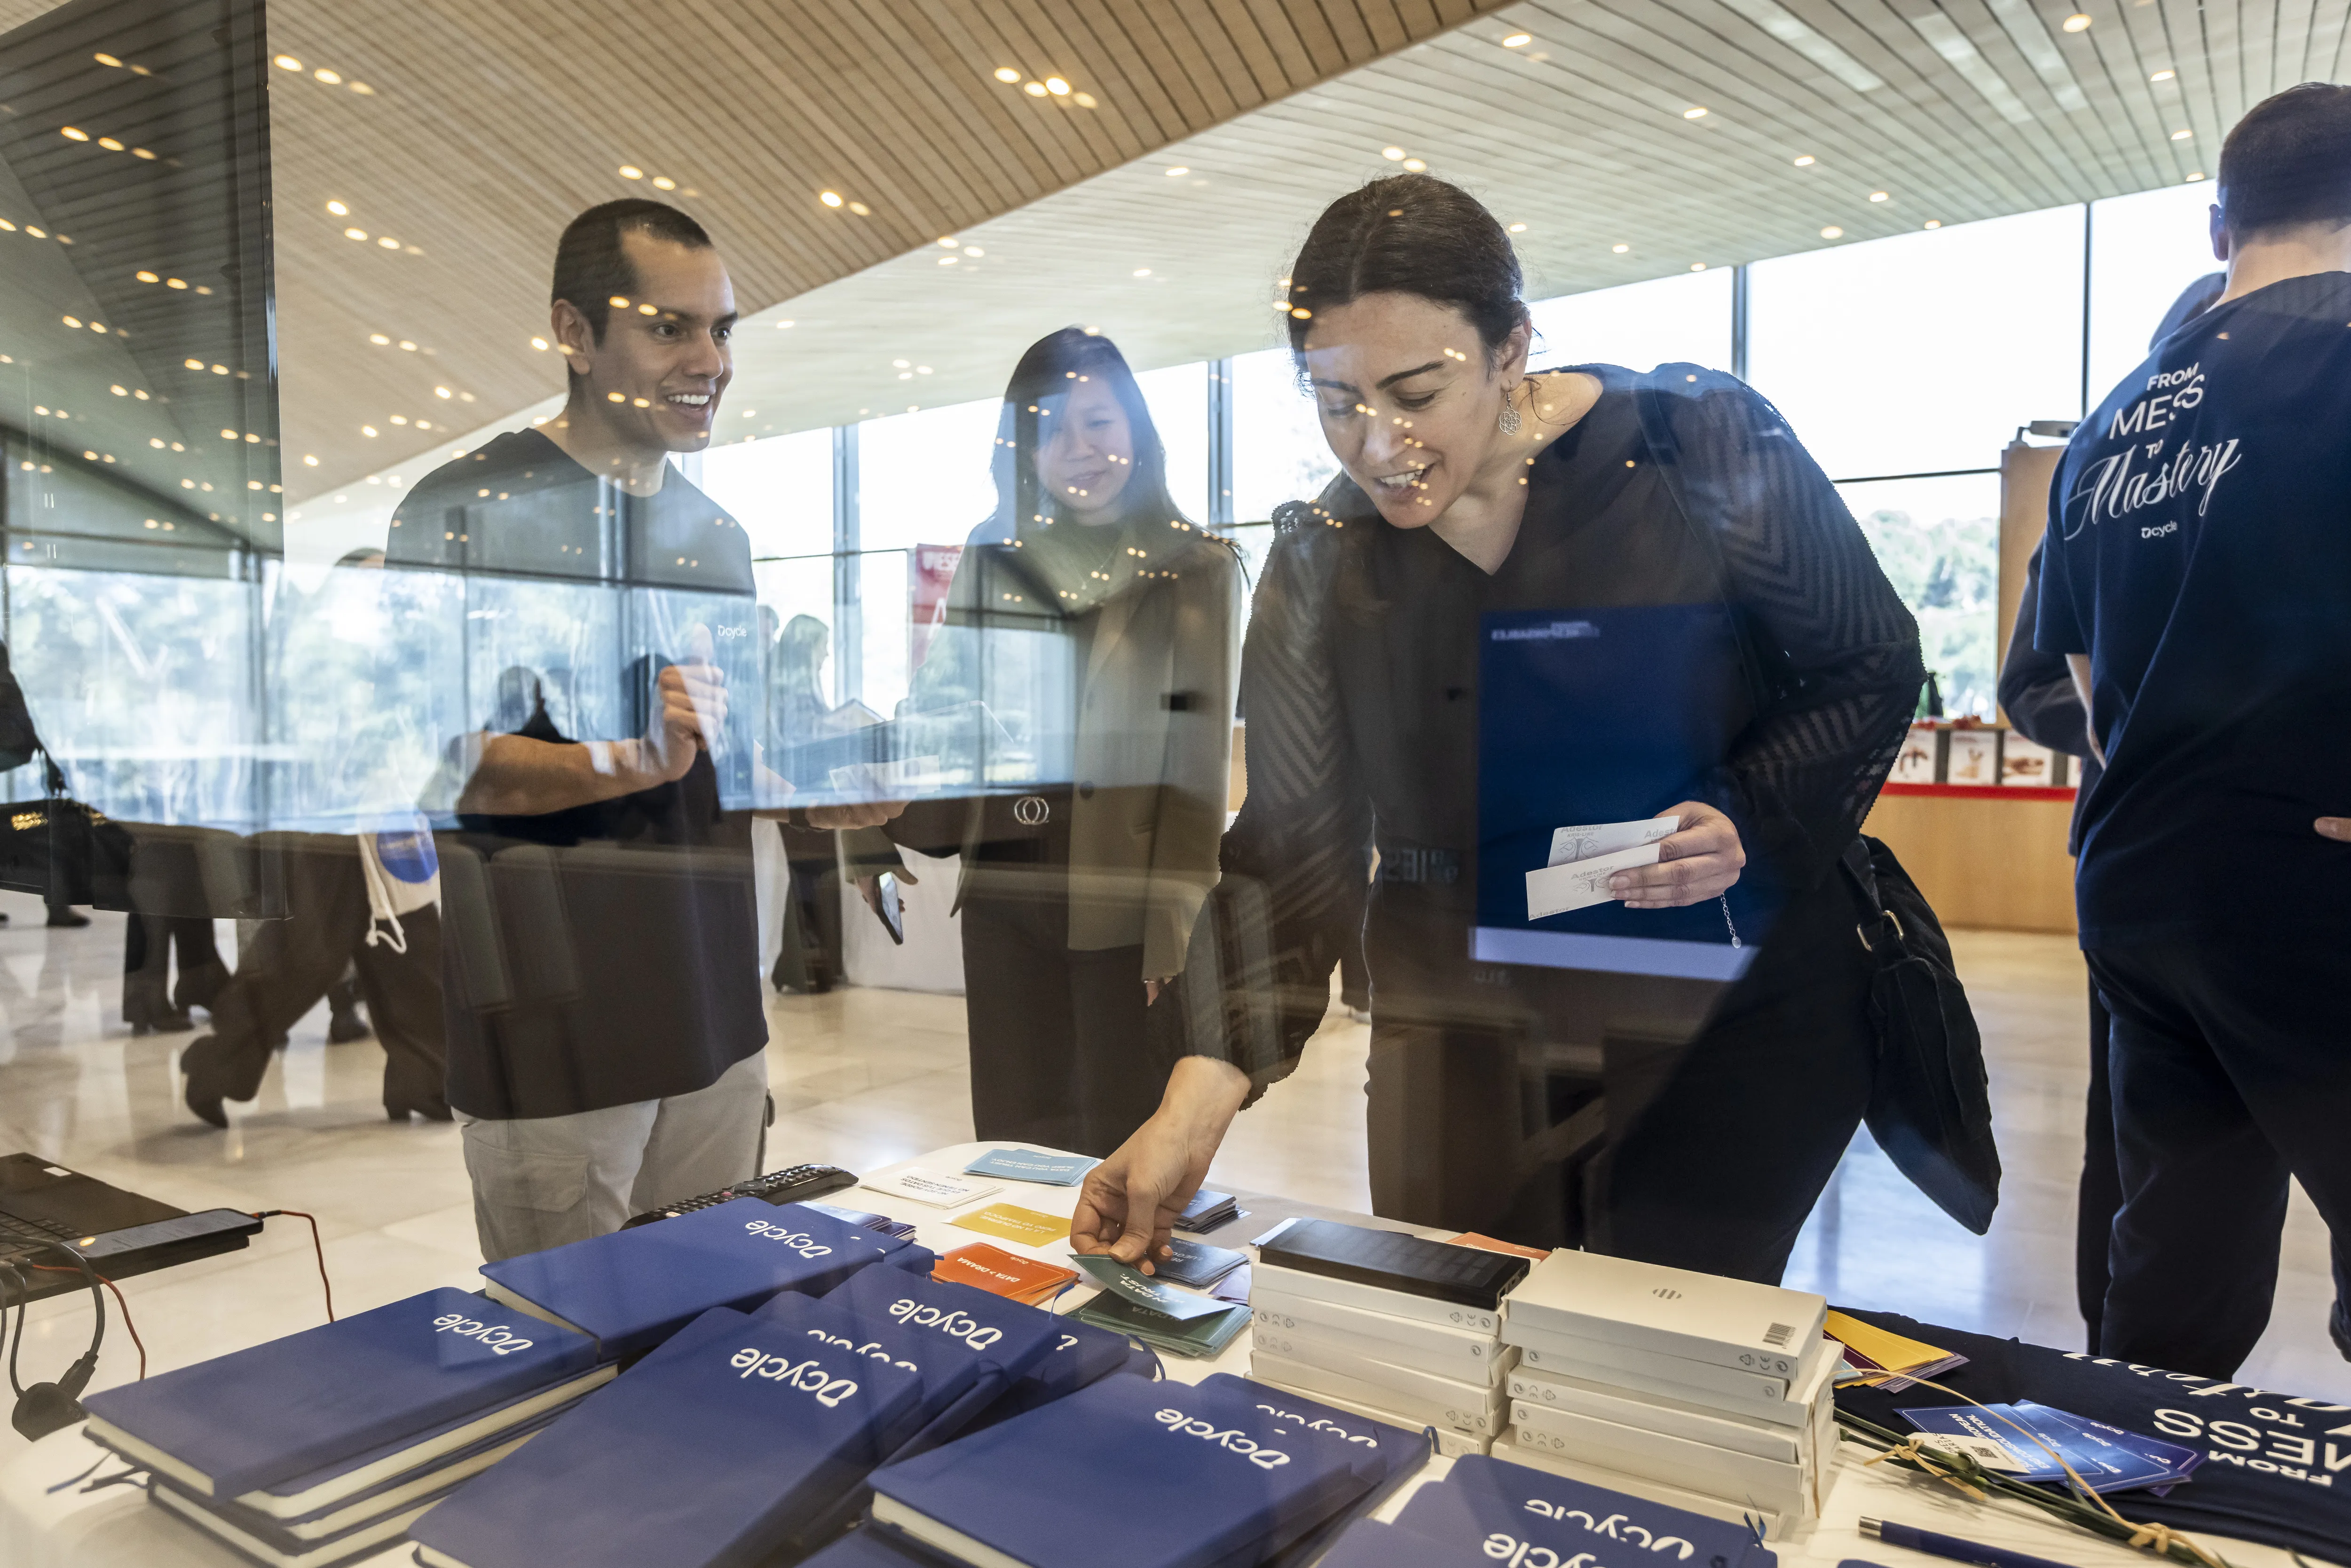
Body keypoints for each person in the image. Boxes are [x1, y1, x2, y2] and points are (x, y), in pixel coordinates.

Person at [1072, 174, 1924, 1282]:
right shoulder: (1326, 557)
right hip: (1462, 1025)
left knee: (1658, 1348)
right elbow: (1290, 845)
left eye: (1415, 392)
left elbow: (1866, 658)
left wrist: (1748, 815)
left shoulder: (1693, 445)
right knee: (1452, 1314)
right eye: (1335, 401)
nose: (1377, 443)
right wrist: (1192, 1101)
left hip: (1725, 1008)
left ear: (1510, 348)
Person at [382, 199, 885, 1261]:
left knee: (710, 1325)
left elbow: (726, 762)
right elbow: (437, 760)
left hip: (716, 1023)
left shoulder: (718, 535)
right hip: (556, 1039)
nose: (710, 359)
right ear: (574, 332)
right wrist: (627, 760)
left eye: (722, 329)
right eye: (670, 328)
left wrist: (827, 790)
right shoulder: (466, 506)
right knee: (573, 1343)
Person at [2034, 83, 2351, 1376]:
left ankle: (2139, 1464)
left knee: (2175, 1259)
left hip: (2141, 890)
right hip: (2314, 885)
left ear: (2221, 227)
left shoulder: (2109, 424)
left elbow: (2076, 677)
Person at [872, 328, 1240, 1156]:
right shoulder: (993, 554)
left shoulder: (1195, 567)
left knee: (1117, 1141)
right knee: (1009, 1141)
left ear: (1135, 428)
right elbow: (937, 705)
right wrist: (864, 819)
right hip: (1004, 890)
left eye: (1098, 422)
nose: (1078, 449)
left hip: (1121, 902)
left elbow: (1195, 771)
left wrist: (1174, 933)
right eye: (1050, 430)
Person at [1997, 270, 2224, 1351]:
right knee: (2135, 1147)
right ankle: (2113, 1359)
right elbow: (2028, 681)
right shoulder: (2106, 487)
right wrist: (2140, 727)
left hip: (2284, 868)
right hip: (2138, 858)